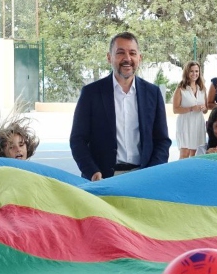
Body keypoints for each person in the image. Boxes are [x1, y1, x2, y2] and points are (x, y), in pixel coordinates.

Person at [69, 32, 170, 180]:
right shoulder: (91, 93)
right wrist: (92, 172)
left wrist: (151, 173)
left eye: (132, 53)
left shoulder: (153, 93)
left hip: (142, 178)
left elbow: (162, 141)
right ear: (109, 57)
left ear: (139, 58)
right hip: (103, 180)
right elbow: (78, 140)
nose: (127, 58)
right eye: (120, 53)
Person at [173, 61, 207, 159]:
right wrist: (191, 108)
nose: (194, 74)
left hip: (198, 123)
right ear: (187, 72)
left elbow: (205, 110)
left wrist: (204, 108)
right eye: (191, 71)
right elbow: (175, 109)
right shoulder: (181, 89)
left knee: (196, 154)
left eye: (196, 71)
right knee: (184, 153)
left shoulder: (202, 89)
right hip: (185, 124)